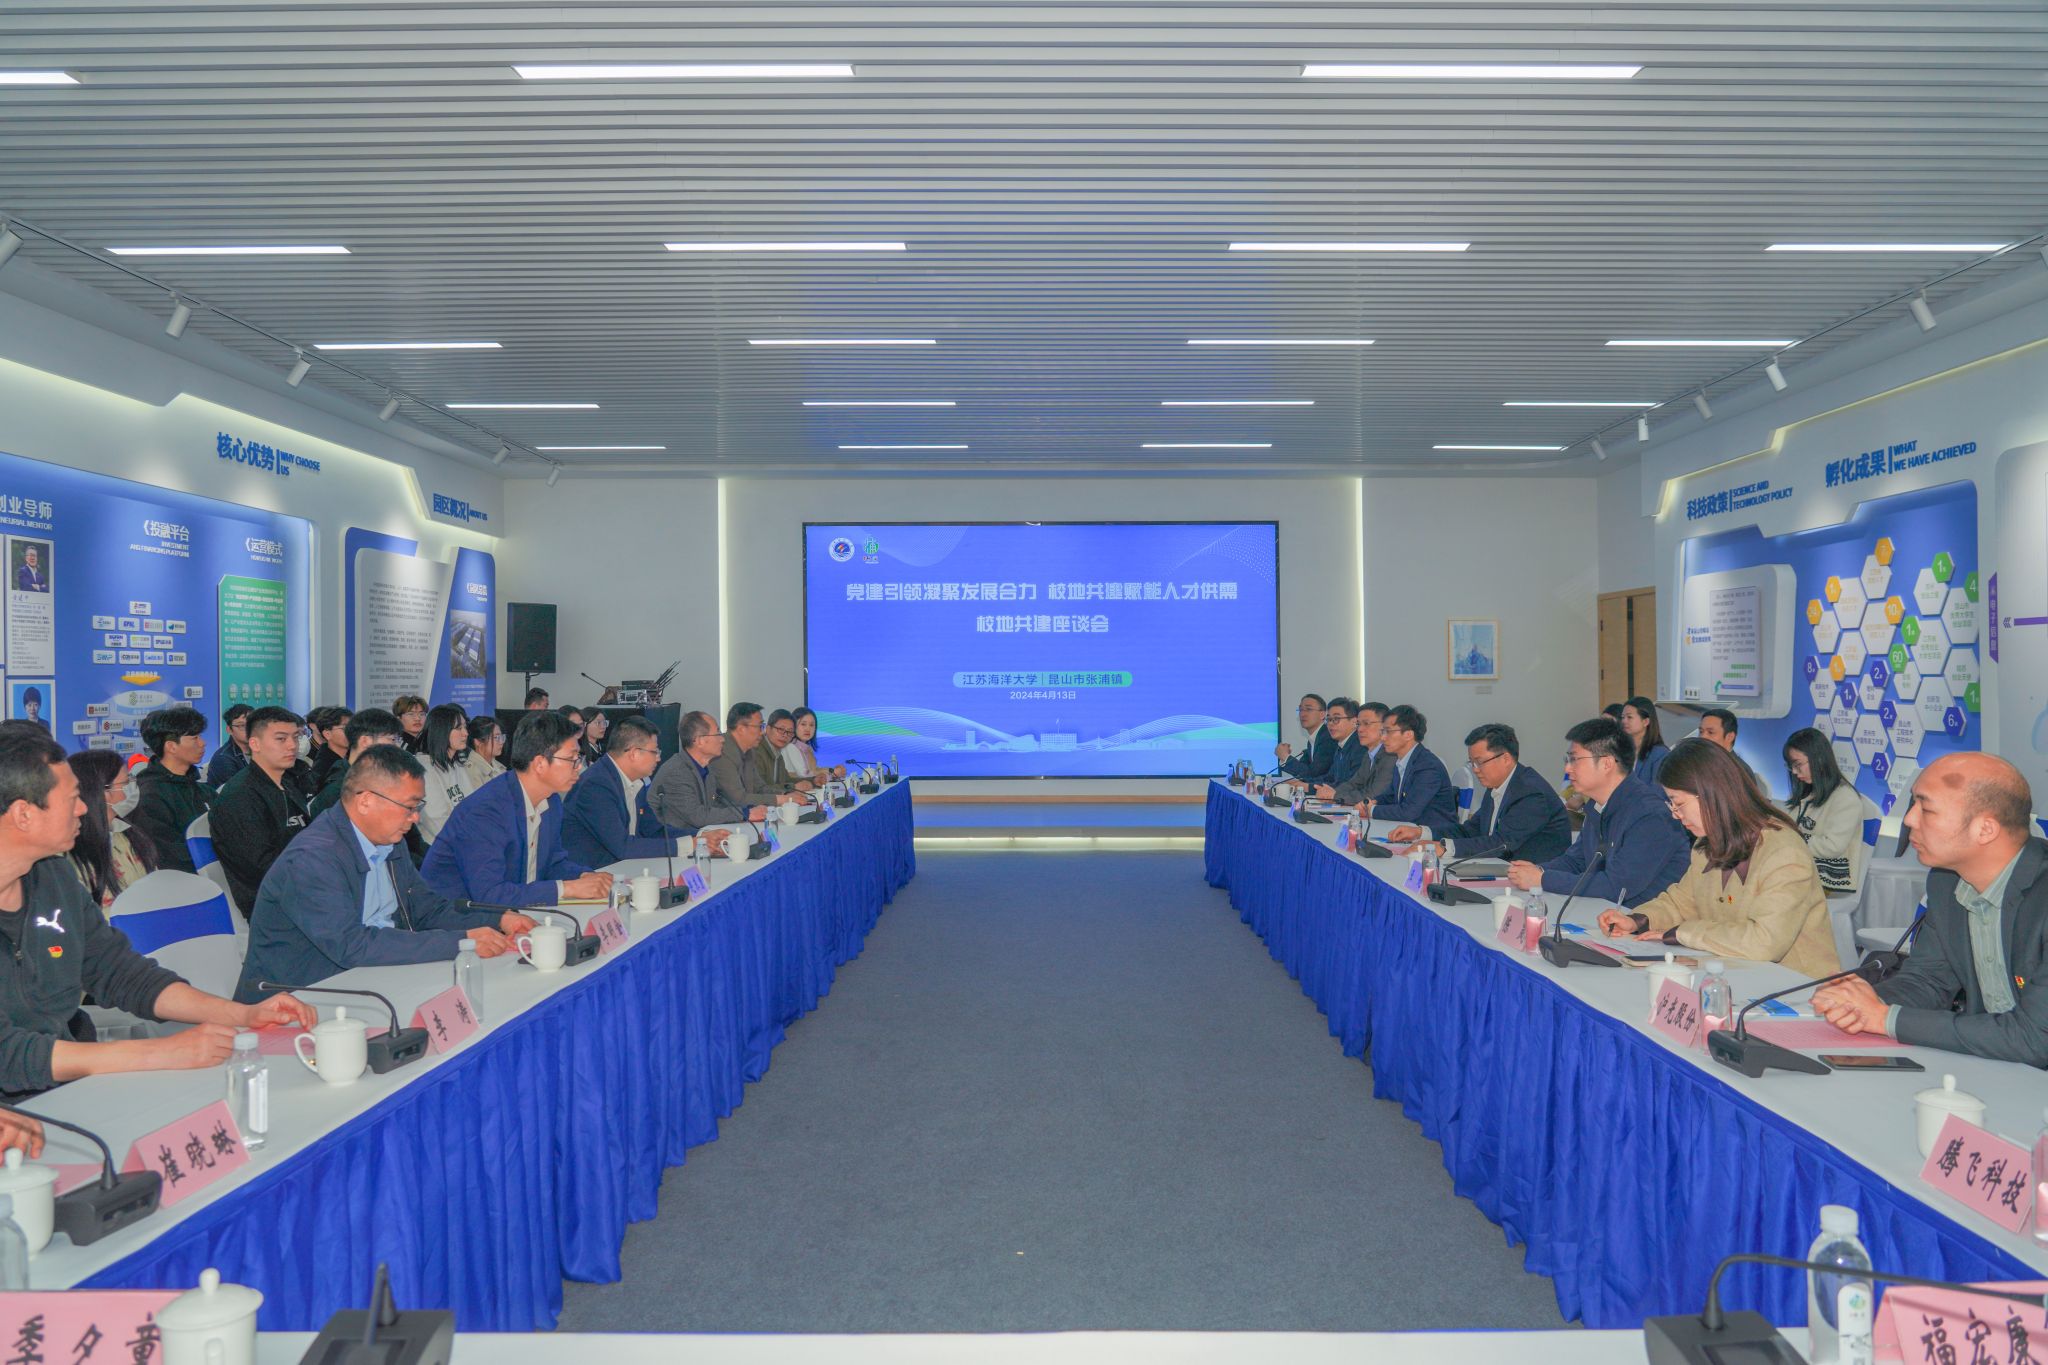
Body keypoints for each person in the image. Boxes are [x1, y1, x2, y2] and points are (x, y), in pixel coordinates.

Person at [0, 725, 314, 1098]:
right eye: (71, 799)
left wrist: (243, 1013)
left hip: (67, 1086)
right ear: (23, 814)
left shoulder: (53, 877)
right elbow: (8, 1055)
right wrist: (159, 1052)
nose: (83, 808)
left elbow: (120, 972)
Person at [234, 745, 536, 1002]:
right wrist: (461, 941)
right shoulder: (313, 859)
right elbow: (351, 946)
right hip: (299, 999)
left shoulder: (389, 840)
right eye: (409, 807)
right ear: (366, 800)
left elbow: (427, 909)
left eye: (418, 806)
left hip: (373, 979)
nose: (415, 818)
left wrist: (497, 919)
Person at [1813, 754, 2048, 1066]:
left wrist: (1885, 1018)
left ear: (1985, 829)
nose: (1909, 819)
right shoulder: (1946, 881)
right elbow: (1928, 981)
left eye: (1926, 808)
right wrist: (1864, 1000)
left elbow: (2036, 1038)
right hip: (1997, 1067)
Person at [1595, 739, 1841, 977]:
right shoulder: (1707, 844)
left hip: (1796, 988)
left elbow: (1764, 942)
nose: (1675, 815)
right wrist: (1637, 920)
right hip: (1734, 974)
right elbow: (1682, 902)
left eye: (1678, 803)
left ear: (1710, 795)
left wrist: (1682, 933)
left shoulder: (1783, 852)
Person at [421, 710, 614, 908]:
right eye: (572, 758)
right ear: (540, 763)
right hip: (454, 918)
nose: (578, 766)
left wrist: (584, 876)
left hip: (514, 911)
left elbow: (552, 863)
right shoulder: (487, 811)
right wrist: (567, 889)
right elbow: (489, 895)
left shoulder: (551, 801)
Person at [1508, 716, 1691, 909]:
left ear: (1607, 764)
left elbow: (1617, 886)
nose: (1567, 768)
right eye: (1567, 760)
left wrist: (1543, 879)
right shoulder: (1598, 806)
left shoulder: (1651, 815)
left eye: (1574, 759)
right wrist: (1535, 871)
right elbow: (1576, 861)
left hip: (1643, 921)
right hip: (1606, 913)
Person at [1389, 723, 1571, 864]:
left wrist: (1444, 848)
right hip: (1501, 868)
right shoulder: (1498, 785)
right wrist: (1422, 832)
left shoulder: (1531, 793)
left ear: (1506, 759)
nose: (1475, 769)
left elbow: (1501, 844)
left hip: (1536, 881)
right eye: (1472, 763)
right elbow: (1470, 830)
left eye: (1480, 762)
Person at [562, 716, 719, 866]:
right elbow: (623, 847)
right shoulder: (596, 785)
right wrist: (689, 845)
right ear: (634, 753)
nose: (658, 758)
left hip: (625, 868)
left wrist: (700, 836)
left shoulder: (636, 782)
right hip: (593, 874)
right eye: (655, 752)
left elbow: (654, 831)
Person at [207, 707, 315, 913]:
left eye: (295, 737)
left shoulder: (288, 782)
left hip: (302, 886)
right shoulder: (240, 796)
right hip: (272, 903)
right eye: (281, 739)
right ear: (255, 744)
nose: (292, 745)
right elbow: (260, 866)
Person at [649, 710, 770, 847]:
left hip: (699, 838)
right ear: (700, 741)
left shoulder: (706, 767)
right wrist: (745, 814)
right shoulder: (676, 772)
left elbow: (715, 804)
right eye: (718, 733)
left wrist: (749, 810)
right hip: (672, 845)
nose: (722, 739)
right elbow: (697, 816)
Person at [67, 749, 157, 907]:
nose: (132, 789)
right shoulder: (70, 853)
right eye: (126, 783)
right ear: (103, 792)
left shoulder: (127, 834)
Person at [130, 706, 214, 874]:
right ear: (171, 746)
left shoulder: (202, 790)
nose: (203, 743)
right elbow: (169, 856)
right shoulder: (150, 797)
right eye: (195, 738)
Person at [1781, 727, 1864, 896]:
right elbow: (1788, 828)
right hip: (1797, 870)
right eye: (1791, 766)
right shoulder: (1807, 791)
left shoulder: (1845, 798)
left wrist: (1789, 842)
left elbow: (1832, 846)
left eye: (1798, 765)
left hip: (1824, 881)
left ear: (1818, 758)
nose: (1795, 772)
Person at [1360, 704, 1456, 829]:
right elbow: (1389, 796)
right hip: (1410, 828)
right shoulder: (1402, 761)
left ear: (1408, 735)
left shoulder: (1427, 766)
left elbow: (1409, 812)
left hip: (1434, 833)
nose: (1383, 738)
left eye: (1388, 731)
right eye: (1383, 732)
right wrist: (1370, 803)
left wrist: (1371, 810)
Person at [309, 708, 406, 818]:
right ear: (365, 741)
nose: (397, 747)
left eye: (398, 740)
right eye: (392, 739)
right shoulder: (339, 790)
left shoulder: (377, 778)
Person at [712, 703, 807, 810]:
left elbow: (760, 788)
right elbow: (738, 799)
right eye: (759, 726)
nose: (762, 732)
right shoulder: (721, 752)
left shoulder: (749, 751)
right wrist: (781, 799)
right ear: (741, 729)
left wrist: (785, 794)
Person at [417, 703, 476, 844]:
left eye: (465, 727)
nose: (466, 733)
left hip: (464, 841)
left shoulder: (456, 765)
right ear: (442, 731)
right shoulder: (424, 768)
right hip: (438, 847)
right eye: (459, 728)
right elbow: (436, 820)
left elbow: (472, 806)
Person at [1329, 702, 1396, 805]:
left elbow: (1374, 794)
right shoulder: (1368, 755)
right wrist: (1332, 793)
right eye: (1358, 724)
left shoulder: (1390, 756)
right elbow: (1353, 784)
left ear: (1384, 726)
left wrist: (1335, 796)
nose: (1360, 729)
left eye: (1366, 723)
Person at [1299, 699, 1359, 798]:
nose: (1330, 724)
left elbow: (1350, 784)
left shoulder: (1359, 747)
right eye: (1329, 719)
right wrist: (1302, 783)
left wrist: (1308, 787)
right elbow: (1330, 777)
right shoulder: (1340, 746)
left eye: (1336, 719)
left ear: (1354, 721)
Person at [1697, 708, 1760, 791]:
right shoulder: (1699, 762)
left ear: (1730, 737)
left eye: (1710, 732)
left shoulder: (1740, 771)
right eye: (1701, 731)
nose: (1702, 737)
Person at [757, 710, 818, 795]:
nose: (785, 735)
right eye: (781, 729)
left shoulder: (777, 753)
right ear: (768, 729)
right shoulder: (757, 751)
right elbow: (759, 790)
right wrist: (794, 787)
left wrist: (813, 781)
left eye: (789, 732)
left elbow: (786, 780)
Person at [1276, 694, 1333, 783]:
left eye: (1308, 709)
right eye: (1301, 710)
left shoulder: (1328, 738)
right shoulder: (1313, 740)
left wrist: (1285, 757)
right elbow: (1303, 769)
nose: (1302, 714)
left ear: (1322, 714)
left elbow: (1313, 774)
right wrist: (1285, 758)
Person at [785, 707, 845, 784]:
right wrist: (832, 773)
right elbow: (805, 775)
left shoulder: (807, 747)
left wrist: (833, 771)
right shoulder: (791, 747)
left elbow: (815, 770)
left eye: (811, 725)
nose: (808, 729)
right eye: (803, 724)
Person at [1621, 697, 1670, 787]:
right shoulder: (1621, 751)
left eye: (1629, 717)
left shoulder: (1660, 754)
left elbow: (1658, 791)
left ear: (1645, 722)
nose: (1624, 721)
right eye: (1622, 717)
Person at [206, 704, 255, 788]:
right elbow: (238, 791)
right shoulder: (223, 758)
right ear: (229, 730)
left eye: (252, 724)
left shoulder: (261, 751)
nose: (248, 729)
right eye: (242, 726)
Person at [306, 705, 351, 792]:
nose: (352, 732)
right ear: (327, 734)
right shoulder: (323, 768)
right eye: (345, 728)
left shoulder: (354, 758)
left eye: (353, 728)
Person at [464, 714, 508, 786]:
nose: (501, 742)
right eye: (496, 737)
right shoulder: (471, 771)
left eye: (501, 737)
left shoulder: (499, 767)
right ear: (478, 742)